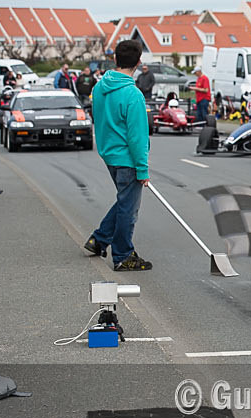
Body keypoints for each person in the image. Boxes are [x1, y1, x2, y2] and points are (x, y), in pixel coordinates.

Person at [84, 40, 152, 271]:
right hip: (127, 159)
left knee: (125, 201)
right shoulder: (133, 94)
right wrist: (142, 169)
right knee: (128, 209)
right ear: (139, 62)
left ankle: (99, 239)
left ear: (115, 59)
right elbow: (137, 137)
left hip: (109, 154)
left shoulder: (100, 88)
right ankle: (123, 255)